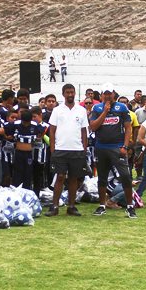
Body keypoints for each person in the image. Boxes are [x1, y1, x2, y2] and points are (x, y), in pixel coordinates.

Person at [89, 90, 136, 218]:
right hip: (101, 147)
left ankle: (130, 206)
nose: (108, 96)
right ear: (102, 95)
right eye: (106, 93)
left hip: (117, 147)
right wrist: (105, 111)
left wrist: (125, 146)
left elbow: (128, 128)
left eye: (110, 93)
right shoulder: (97, 107)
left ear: (114, 94)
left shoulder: (121, 107)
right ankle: (102, 205)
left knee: (125, 176)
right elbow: (93, 126)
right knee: (102, 177)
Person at [47, 83, 89, 216]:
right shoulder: (57, 110)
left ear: (75, 93)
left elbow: (84, 131)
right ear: (63, 94)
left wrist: (84, 148)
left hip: (77, 149)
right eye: (68, 92)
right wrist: (53, 148)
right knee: (60, 177)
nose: (70, 95)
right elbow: (52, 131)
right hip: (60, 149)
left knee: (73, 178)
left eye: (72, 92)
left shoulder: (81, 110)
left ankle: (71, 206)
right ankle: (54, 206)